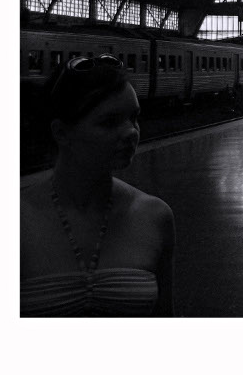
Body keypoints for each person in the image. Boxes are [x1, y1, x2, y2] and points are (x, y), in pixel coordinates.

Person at [20, 54, 175, 316]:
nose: (131, 132)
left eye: (134, 117)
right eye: (109, 122)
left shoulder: (156, 217)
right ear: (61, 132)